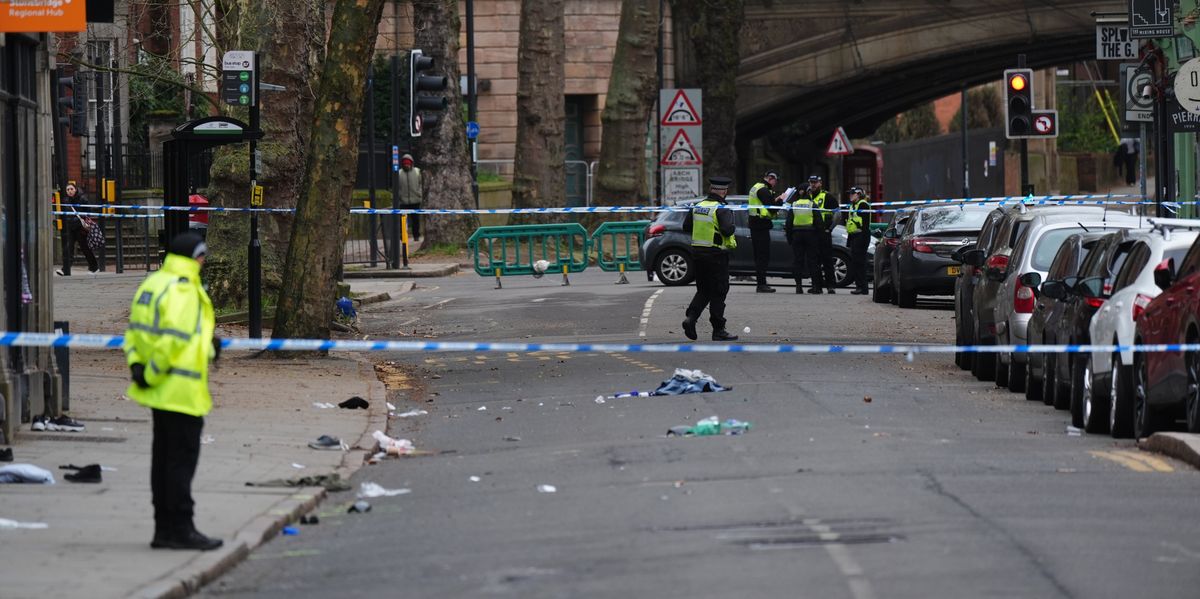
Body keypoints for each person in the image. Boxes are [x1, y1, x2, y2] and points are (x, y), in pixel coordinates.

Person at [124, 232, 223, 551]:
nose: (204, 263)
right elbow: (173, 340)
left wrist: (139, 368)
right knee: (181, 462)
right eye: (202, 257)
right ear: (195, 257)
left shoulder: (153, 284)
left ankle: (163, 528)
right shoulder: (184, 288)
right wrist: (153, 374)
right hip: (180, 390)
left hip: (158, 391)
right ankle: (181, 528)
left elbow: (135, 334)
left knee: (163, 460)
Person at [681, 176, 739, 342]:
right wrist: (732, 225)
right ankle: (718, 329)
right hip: (716, 255)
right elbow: (728, 230)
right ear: (724, 191)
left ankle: (690, 318)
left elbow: (686, 227)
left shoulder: (698, 206)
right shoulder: (721, 209)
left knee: (704, 290)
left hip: (698, 254)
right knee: (719, 292)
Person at [747, 171, 786, 293]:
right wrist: (781, 200)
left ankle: (762, 283)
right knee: (762, 256)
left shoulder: (758, 187)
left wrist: (777, 199)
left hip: (757, 225)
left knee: (760, 256)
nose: (776, 183)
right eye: (775, 180)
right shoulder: (763, 190)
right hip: (760, 226)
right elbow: (772, 208)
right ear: (770, 178)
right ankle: (761, 284)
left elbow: (766, 204)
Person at [57, 183, 99, 276]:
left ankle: (94, 267)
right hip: (71, 228)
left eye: (71, 189)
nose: (70, 191)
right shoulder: (66, 200)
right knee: (69, 248)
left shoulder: (82, 199)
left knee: (85, 248)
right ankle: (65, 269)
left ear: (75, 189)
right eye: (68, 190)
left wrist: (81, 220)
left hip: (81, 228)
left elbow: (88, 212)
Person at [844, 187, 872, 295]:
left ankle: (863, 288)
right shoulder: (853, 205)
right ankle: (859, 286)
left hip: (861, 236)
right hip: (854, 236)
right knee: (856, 262)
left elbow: (864, 224)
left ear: (859, 194)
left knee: (860, 263)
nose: (850, 195)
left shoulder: (863, 204)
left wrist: (863, 239)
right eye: (850, 193)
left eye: (853, 193)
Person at [397, 153, 423, 239]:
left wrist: (419, 193)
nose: (406, 165)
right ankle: (403, 235)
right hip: (403, 200)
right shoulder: (399, 173)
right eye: (405, 163)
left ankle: (416, 235)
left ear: (411, 163)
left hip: (415, 200)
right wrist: (399, 196)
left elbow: (421, 184)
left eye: (408, 163)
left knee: (416, 219)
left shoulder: (417, 171)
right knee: (403, 220)